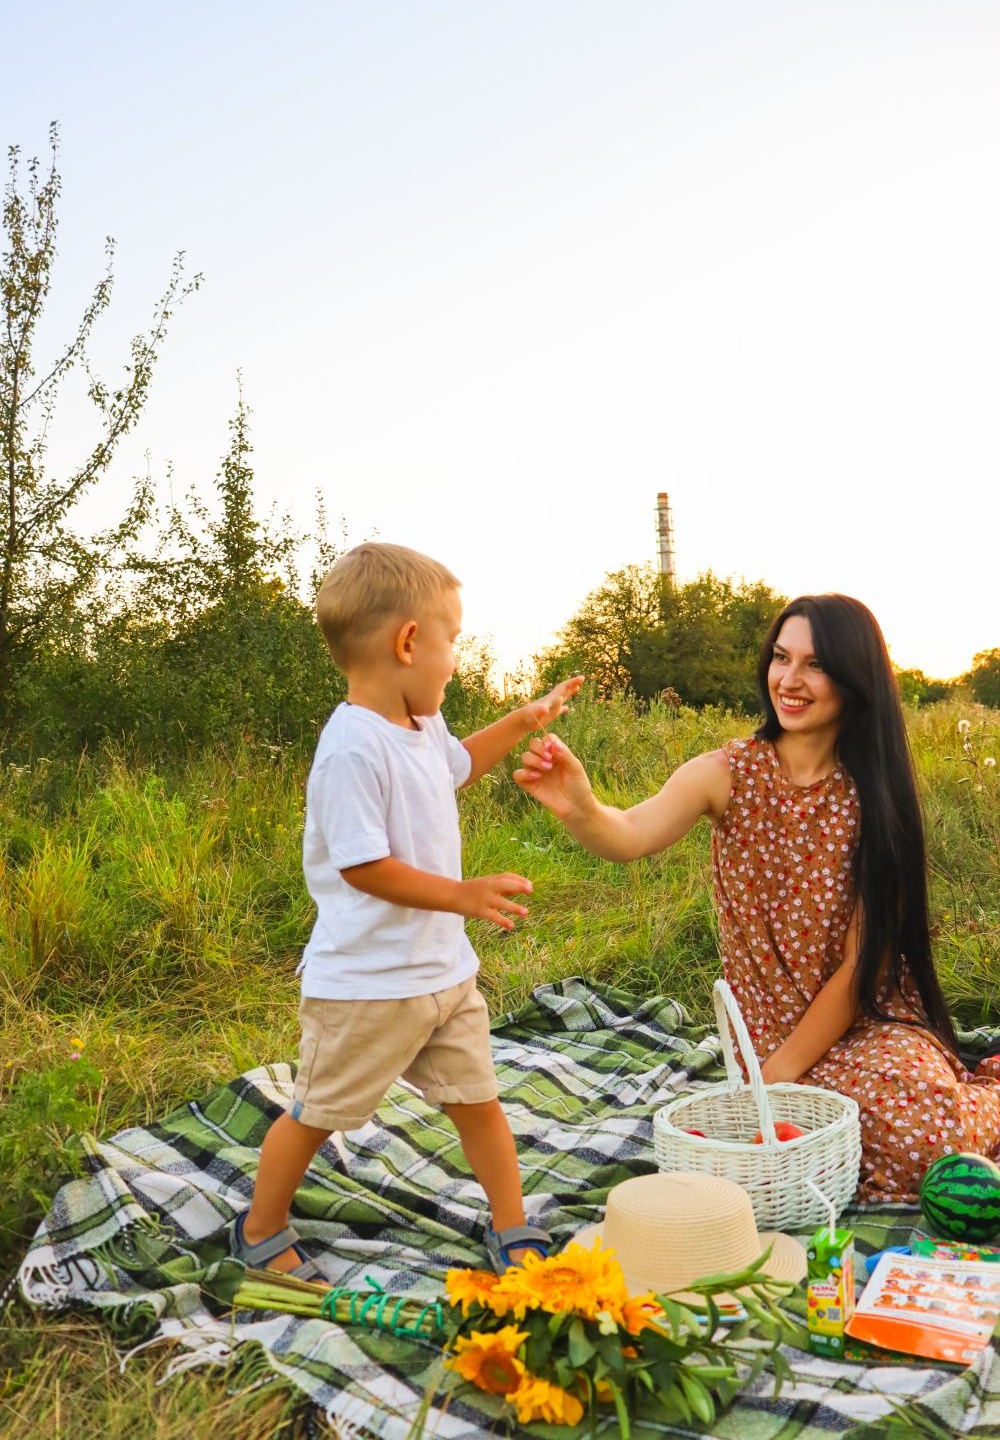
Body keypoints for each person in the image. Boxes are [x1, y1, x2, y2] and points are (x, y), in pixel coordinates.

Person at [515, 593, 1000, 1202]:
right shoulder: (727, 772)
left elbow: (861, 966)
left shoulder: (875, 797)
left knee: (925, 1130)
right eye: (780, 658)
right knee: (864, 1142)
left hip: (863, 1021)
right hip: (765, 1031)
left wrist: (780, 1076)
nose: (789, 681)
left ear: (856, 678)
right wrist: (582, 807)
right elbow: (629, 835)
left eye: (815, 665)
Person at [232, 542, 582, 1276]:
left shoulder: (420, 731)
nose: (456, 657)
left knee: (479, 1101)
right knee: (318, 1112)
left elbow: (458, 767)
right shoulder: (352, 748)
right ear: (408, 642)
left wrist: (523, 720)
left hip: (443, 975)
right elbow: (363, 866)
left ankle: (511, 1225)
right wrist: (462, 893)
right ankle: (261, 1230)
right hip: (367, 986)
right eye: (453, 639)